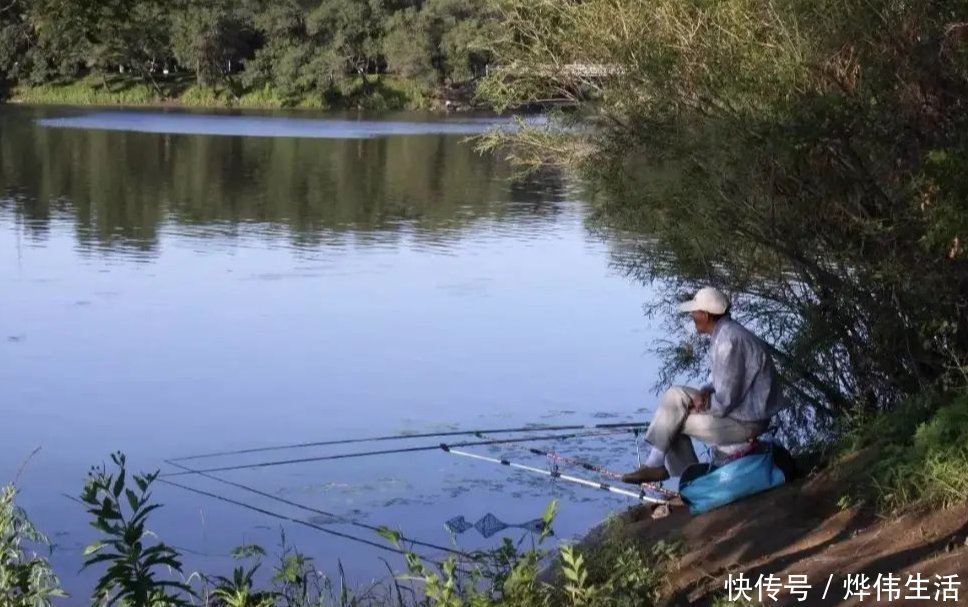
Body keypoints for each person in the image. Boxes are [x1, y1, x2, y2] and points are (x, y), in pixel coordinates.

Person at [622, 287, 784, 484]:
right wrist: (704, 391)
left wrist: (702, 407)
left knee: (675, 424)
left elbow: (726, 401)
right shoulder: (724, 333)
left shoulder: (729, 341)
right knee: (675, 396)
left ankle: (690, 482)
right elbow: (721, 380)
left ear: (705, 315)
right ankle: (655, 463)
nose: (692, 315)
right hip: (737, 410)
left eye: (695, 312)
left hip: (748, 420)